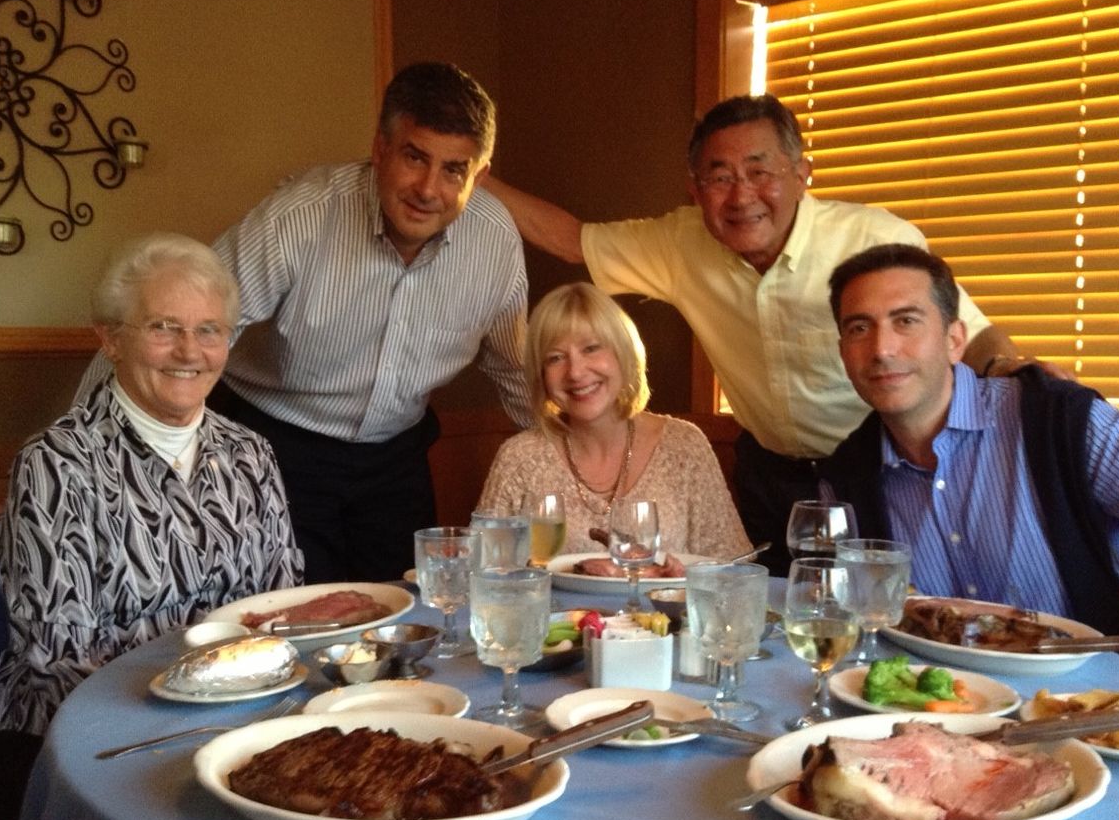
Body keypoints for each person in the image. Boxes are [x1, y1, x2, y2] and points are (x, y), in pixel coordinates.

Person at [484, 93, 1065, 573]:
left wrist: (1011, 371)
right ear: (695, 189)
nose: (741, 195)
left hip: (871, 466)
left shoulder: (870, 238)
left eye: (760, 172)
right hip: (768, 472)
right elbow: (571, 240)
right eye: (720, 177)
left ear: (802, 173)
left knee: (874, 617)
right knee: (771, 626)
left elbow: (968, 333)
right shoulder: (679, 244)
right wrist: (472, 177)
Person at [76, 62, 530, 583]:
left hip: (396, 460)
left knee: (410, 612)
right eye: (414, 157)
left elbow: (519, 373)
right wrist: (80, 460)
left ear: (479, 176)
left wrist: (584, 467)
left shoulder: (495, 242)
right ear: (381, 149)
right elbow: (172, 334)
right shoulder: (299, 217)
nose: (428, 189)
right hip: (275, 445)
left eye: (453, 170)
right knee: (291, 613)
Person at [0, 234, 304, 820]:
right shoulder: (56, 464)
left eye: (209, 330)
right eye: (164, 327)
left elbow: (279, 611)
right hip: (83, 741)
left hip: (232, 726)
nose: (190, 351)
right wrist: (196, 721)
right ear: (110, 338)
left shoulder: (251, 454)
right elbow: (57, 656)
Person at [819, 242, 1119, 691]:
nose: (882, 348)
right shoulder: (847, 477)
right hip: (964, 709)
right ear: (843, 352)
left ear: (955, 341)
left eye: (906, 321)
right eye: (860, 328)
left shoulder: (1060, 423)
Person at [478, 282, 749, 559]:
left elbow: (731, 565)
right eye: (555, 358)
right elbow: (482, 568)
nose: (575, 372)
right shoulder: (519, 459)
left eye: (591, 348)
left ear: (624, 353)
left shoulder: (685, 446)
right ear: (541, 375)